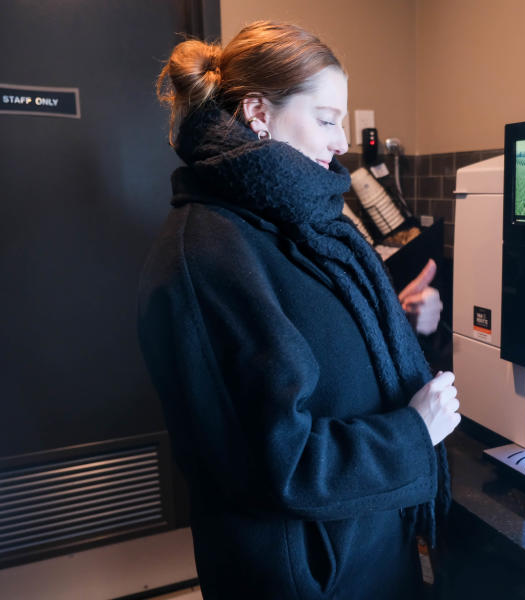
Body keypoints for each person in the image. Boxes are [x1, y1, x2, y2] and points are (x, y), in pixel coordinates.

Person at [138, 21, 460, 599]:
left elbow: (316, 350)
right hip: (306, 579)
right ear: (259, 112)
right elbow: (276, 461)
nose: (340, 142)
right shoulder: (208, 256)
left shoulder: (298, 219)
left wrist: (394, 325)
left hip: (364, 547)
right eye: (327, 118)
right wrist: (414, 432)